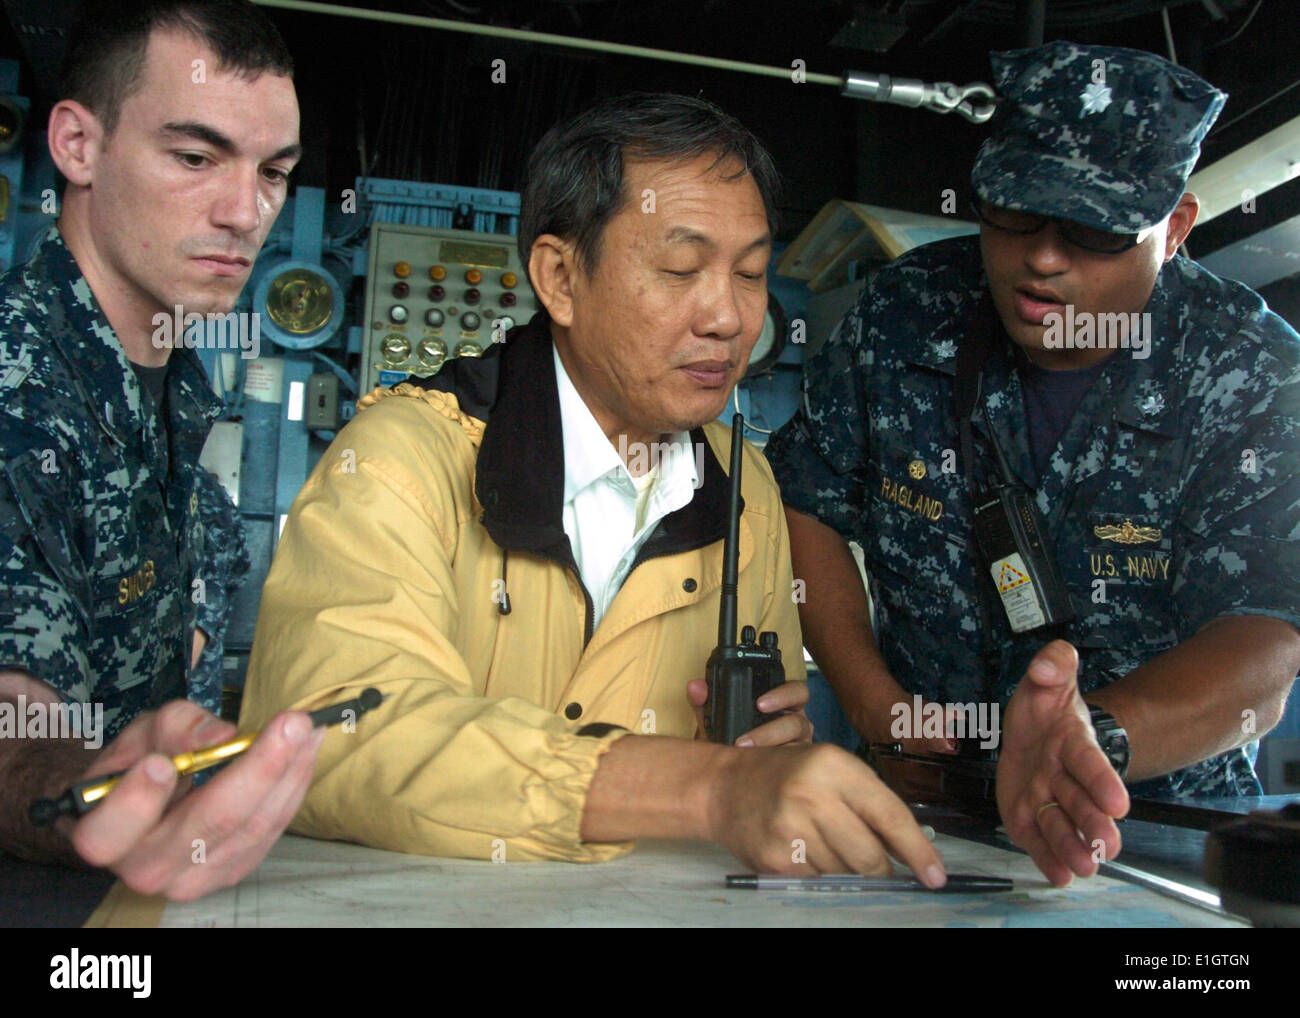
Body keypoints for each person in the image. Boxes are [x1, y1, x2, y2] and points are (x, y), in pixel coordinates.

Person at [240, 93, 949, 883]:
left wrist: (766, 758)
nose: (729, 317)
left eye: (750, 273)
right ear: (560, 277)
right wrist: (708, 788)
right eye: (680, 270)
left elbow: (760, 742)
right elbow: (333, 737)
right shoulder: (399, 460)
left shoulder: (745, 483)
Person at [766, 41, 1300, 886]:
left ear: (1179, 227)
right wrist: (874, 702)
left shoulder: (1254, 372)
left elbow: (1269, 637)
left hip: (1144, 825)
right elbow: (808, 501)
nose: (1044, 258)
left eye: (1093, 229)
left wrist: (1089, 741)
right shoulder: (902, 315)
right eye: (1015, 212)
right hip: (921, 806)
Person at [0, 0, 321, 902]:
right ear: (77, 145)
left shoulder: (181, 387)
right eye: (195, 157)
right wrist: (91, 789)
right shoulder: (16, 385)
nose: (244, 212)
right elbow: (15, 734)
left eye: (276, 172)